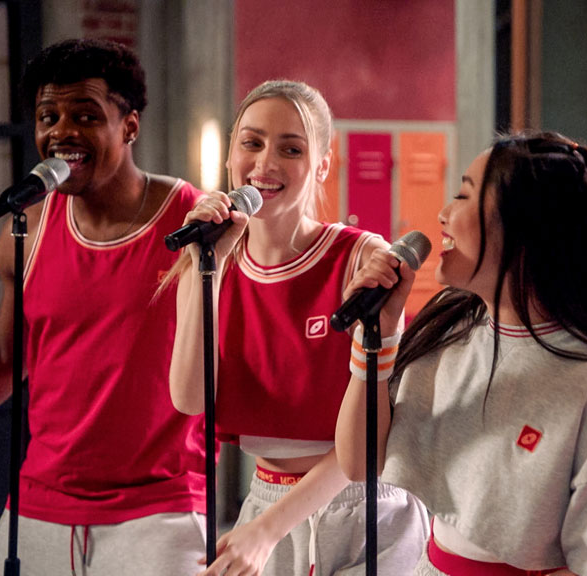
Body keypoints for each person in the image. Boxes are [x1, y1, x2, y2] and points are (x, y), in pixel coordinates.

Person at [0, 39, 207, 575]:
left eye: (86, 115)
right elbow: (7, 357)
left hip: (160, 513)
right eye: (49, 117)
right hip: (39, 512)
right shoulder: (26, 231)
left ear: (130, 126)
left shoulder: (193, 223)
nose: (62, 131)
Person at [335, 132, 587, 575]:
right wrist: (377, 334)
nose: (443, 214)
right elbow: (358, 462)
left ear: (525, 226)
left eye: (464, 196)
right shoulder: (449, 328)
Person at [167, 79, 428, 576]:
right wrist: (206, 266)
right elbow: (190, 398)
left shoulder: (360, 257)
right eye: (252, 143)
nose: (265, 163)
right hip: (266, 497)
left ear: (322, 165)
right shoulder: (210, 258)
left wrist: (269, 529)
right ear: (230, 154)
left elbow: (375, 437)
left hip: (364, 505)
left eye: (291, 149)